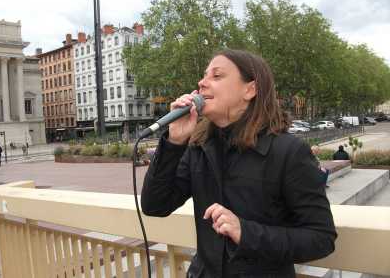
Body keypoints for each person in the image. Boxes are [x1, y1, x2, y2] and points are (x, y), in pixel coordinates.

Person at [141, 49, 337, 278]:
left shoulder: (288, 151)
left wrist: (246, 232)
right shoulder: (198, 147)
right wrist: (174, 142)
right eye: (204, 76)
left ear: (250, 89)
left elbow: (321, 238)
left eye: (217, 76)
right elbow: (155, 205)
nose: (202, 83)